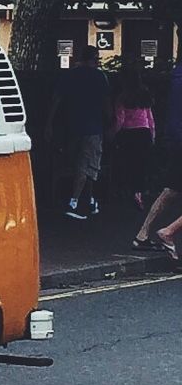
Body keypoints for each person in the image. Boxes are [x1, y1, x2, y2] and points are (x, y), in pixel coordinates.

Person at [46, 44, 111, 220]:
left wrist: (50, 123)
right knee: (88, 165)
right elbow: (106, 103)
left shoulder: (69, 76)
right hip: (93, 126)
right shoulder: (100, 77)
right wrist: (111, 121)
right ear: (94, 58)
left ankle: (88, 199)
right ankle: (74, 202)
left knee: (79, 163)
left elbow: (57, 100)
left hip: (71, 126)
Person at [134, 55, 182, 251]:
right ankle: (169, 232)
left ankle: (142, 234)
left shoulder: (176, 75)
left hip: (175, 137)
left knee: (171, 190)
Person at [111, 66, 155, 209]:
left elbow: (120, 119)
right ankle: (139, 192)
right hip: (144, 132)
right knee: (142, 165)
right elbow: (150, 117)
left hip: (128, 134)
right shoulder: (145, 95)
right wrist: (153, 134)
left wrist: (113, 133)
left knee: (129, 164)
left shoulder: (122, 97)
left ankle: (128, 192)